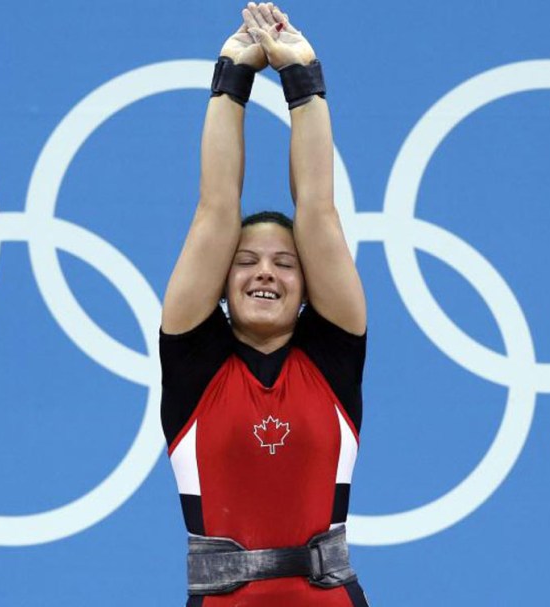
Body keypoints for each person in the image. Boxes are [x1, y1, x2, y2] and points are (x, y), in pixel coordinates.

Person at [159, 3, 369, 606]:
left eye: (284, 263)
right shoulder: (194, 364)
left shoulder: (334, 353)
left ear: (308, 287)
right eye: (246, 262)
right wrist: (233, 77)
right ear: (221, 285)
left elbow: (320, 212)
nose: (265, 274)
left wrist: (303, 77)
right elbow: (216, 209)